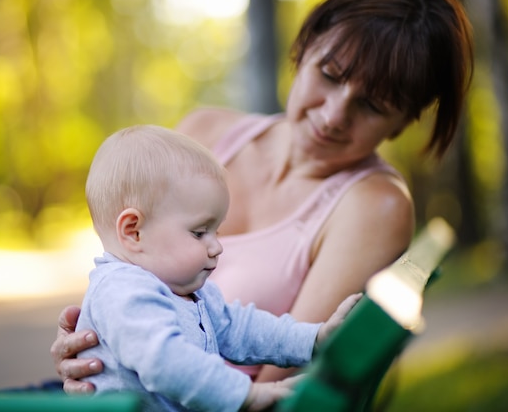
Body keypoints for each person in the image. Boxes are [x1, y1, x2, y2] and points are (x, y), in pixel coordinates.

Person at [51, 0, 474, 392]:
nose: (332, 116)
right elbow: (126, 274)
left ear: (401, 123)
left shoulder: (375, 206)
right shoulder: (204, 134)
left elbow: (277, 387)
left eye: (373, 105)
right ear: (303, 51)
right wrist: (86, 349)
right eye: (329, 75)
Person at [76, 124, 361, 411]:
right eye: (200, 233)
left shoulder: (190, 294)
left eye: (216, 232)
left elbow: (243, 329)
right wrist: (245, 394)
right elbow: (165, 361)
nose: (217, 247)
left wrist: (313, 338)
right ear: (134, 232)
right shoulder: (122, 292)